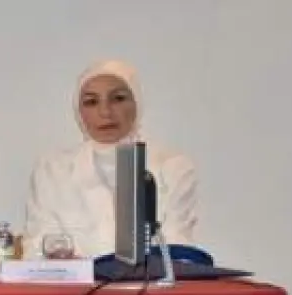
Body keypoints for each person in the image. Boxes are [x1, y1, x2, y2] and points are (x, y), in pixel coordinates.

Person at [23, 59, 198, 260]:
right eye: (91, 102)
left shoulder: (172, 166)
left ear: (137, 103)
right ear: (79, 112)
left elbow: (176, 248)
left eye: (118, 99)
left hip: (151, 280)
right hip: (75, 281)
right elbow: (38, 248)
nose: (105, 112)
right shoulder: (52, 169)